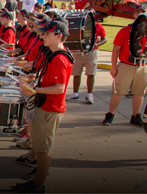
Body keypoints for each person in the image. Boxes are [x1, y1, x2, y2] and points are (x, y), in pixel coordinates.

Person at [13, 19, 74, 193]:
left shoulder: (60, 59)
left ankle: (38, 186)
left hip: (50, 108)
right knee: (39, 147)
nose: (43, 36)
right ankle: (37, 179)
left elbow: (60, 88)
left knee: (43, 150)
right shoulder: (52, 53)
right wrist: (33, 80)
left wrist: (35, 90)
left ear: (59, 36)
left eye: (47, 33)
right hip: (46, 106)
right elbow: (49, 79)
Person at [105, 10, 147, 126]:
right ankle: (110, 114)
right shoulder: (125, 31)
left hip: (144, 65)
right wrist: (113, 67)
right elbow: (115, 50)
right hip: (126, 65)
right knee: (119, 91)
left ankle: (136, 115)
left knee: (140, 92)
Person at [68, 18, 106, 104]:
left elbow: (104, 39)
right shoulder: (80, 25)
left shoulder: (98, 26)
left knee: (91, 73)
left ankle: (89, 94)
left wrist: (96, 44)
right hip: (79, 51)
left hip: (92, 52)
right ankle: (75, 93)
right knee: (76, 73)